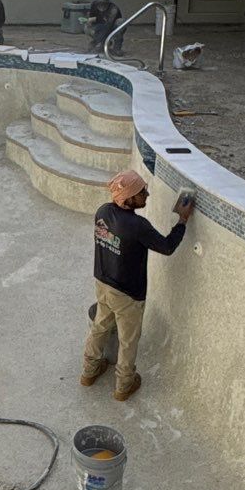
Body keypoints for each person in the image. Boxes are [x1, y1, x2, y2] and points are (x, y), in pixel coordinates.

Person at [81, 170, 195, 402]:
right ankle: (124, 385)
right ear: (129, 197)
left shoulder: (103, 211)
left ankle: (89, 372)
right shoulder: (137, 225)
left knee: (100, 327)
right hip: (127, 293)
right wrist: (182, 221)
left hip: (103, 283)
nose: (147, 195)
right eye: (142, 192)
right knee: (128, 340)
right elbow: (167, 246)